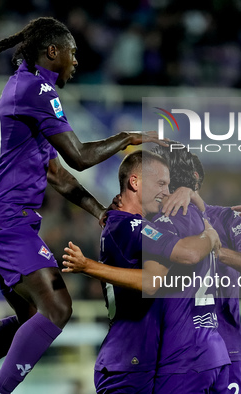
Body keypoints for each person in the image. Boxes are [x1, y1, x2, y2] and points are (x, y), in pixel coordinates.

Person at [0, 16, 162, 394]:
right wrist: (127, 137)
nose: (76, 61)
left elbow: (57, 173)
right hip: (4, 217)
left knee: (33, 317)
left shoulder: (25, 89)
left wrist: (99, 211)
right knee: (59, 307)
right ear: (53, 52)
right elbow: (78, 157)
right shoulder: (38, 90)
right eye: (72, 53)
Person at [62, 149, 230, 393]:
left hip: (140, 360)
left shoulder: (127, 223)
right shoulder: (127, 225)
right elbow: (182, 257)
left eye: (169, 184)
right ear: (135, 182)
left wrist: (189, 193)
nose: (166, 191)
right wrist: (210, 235)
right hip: (128, 360)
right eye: (161, 183)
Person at [154, 146, 241, 394]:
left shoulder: (228, 217)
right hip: (181, 353)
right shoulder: (158, 219)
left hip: (229, 349)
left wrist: (213, 247)